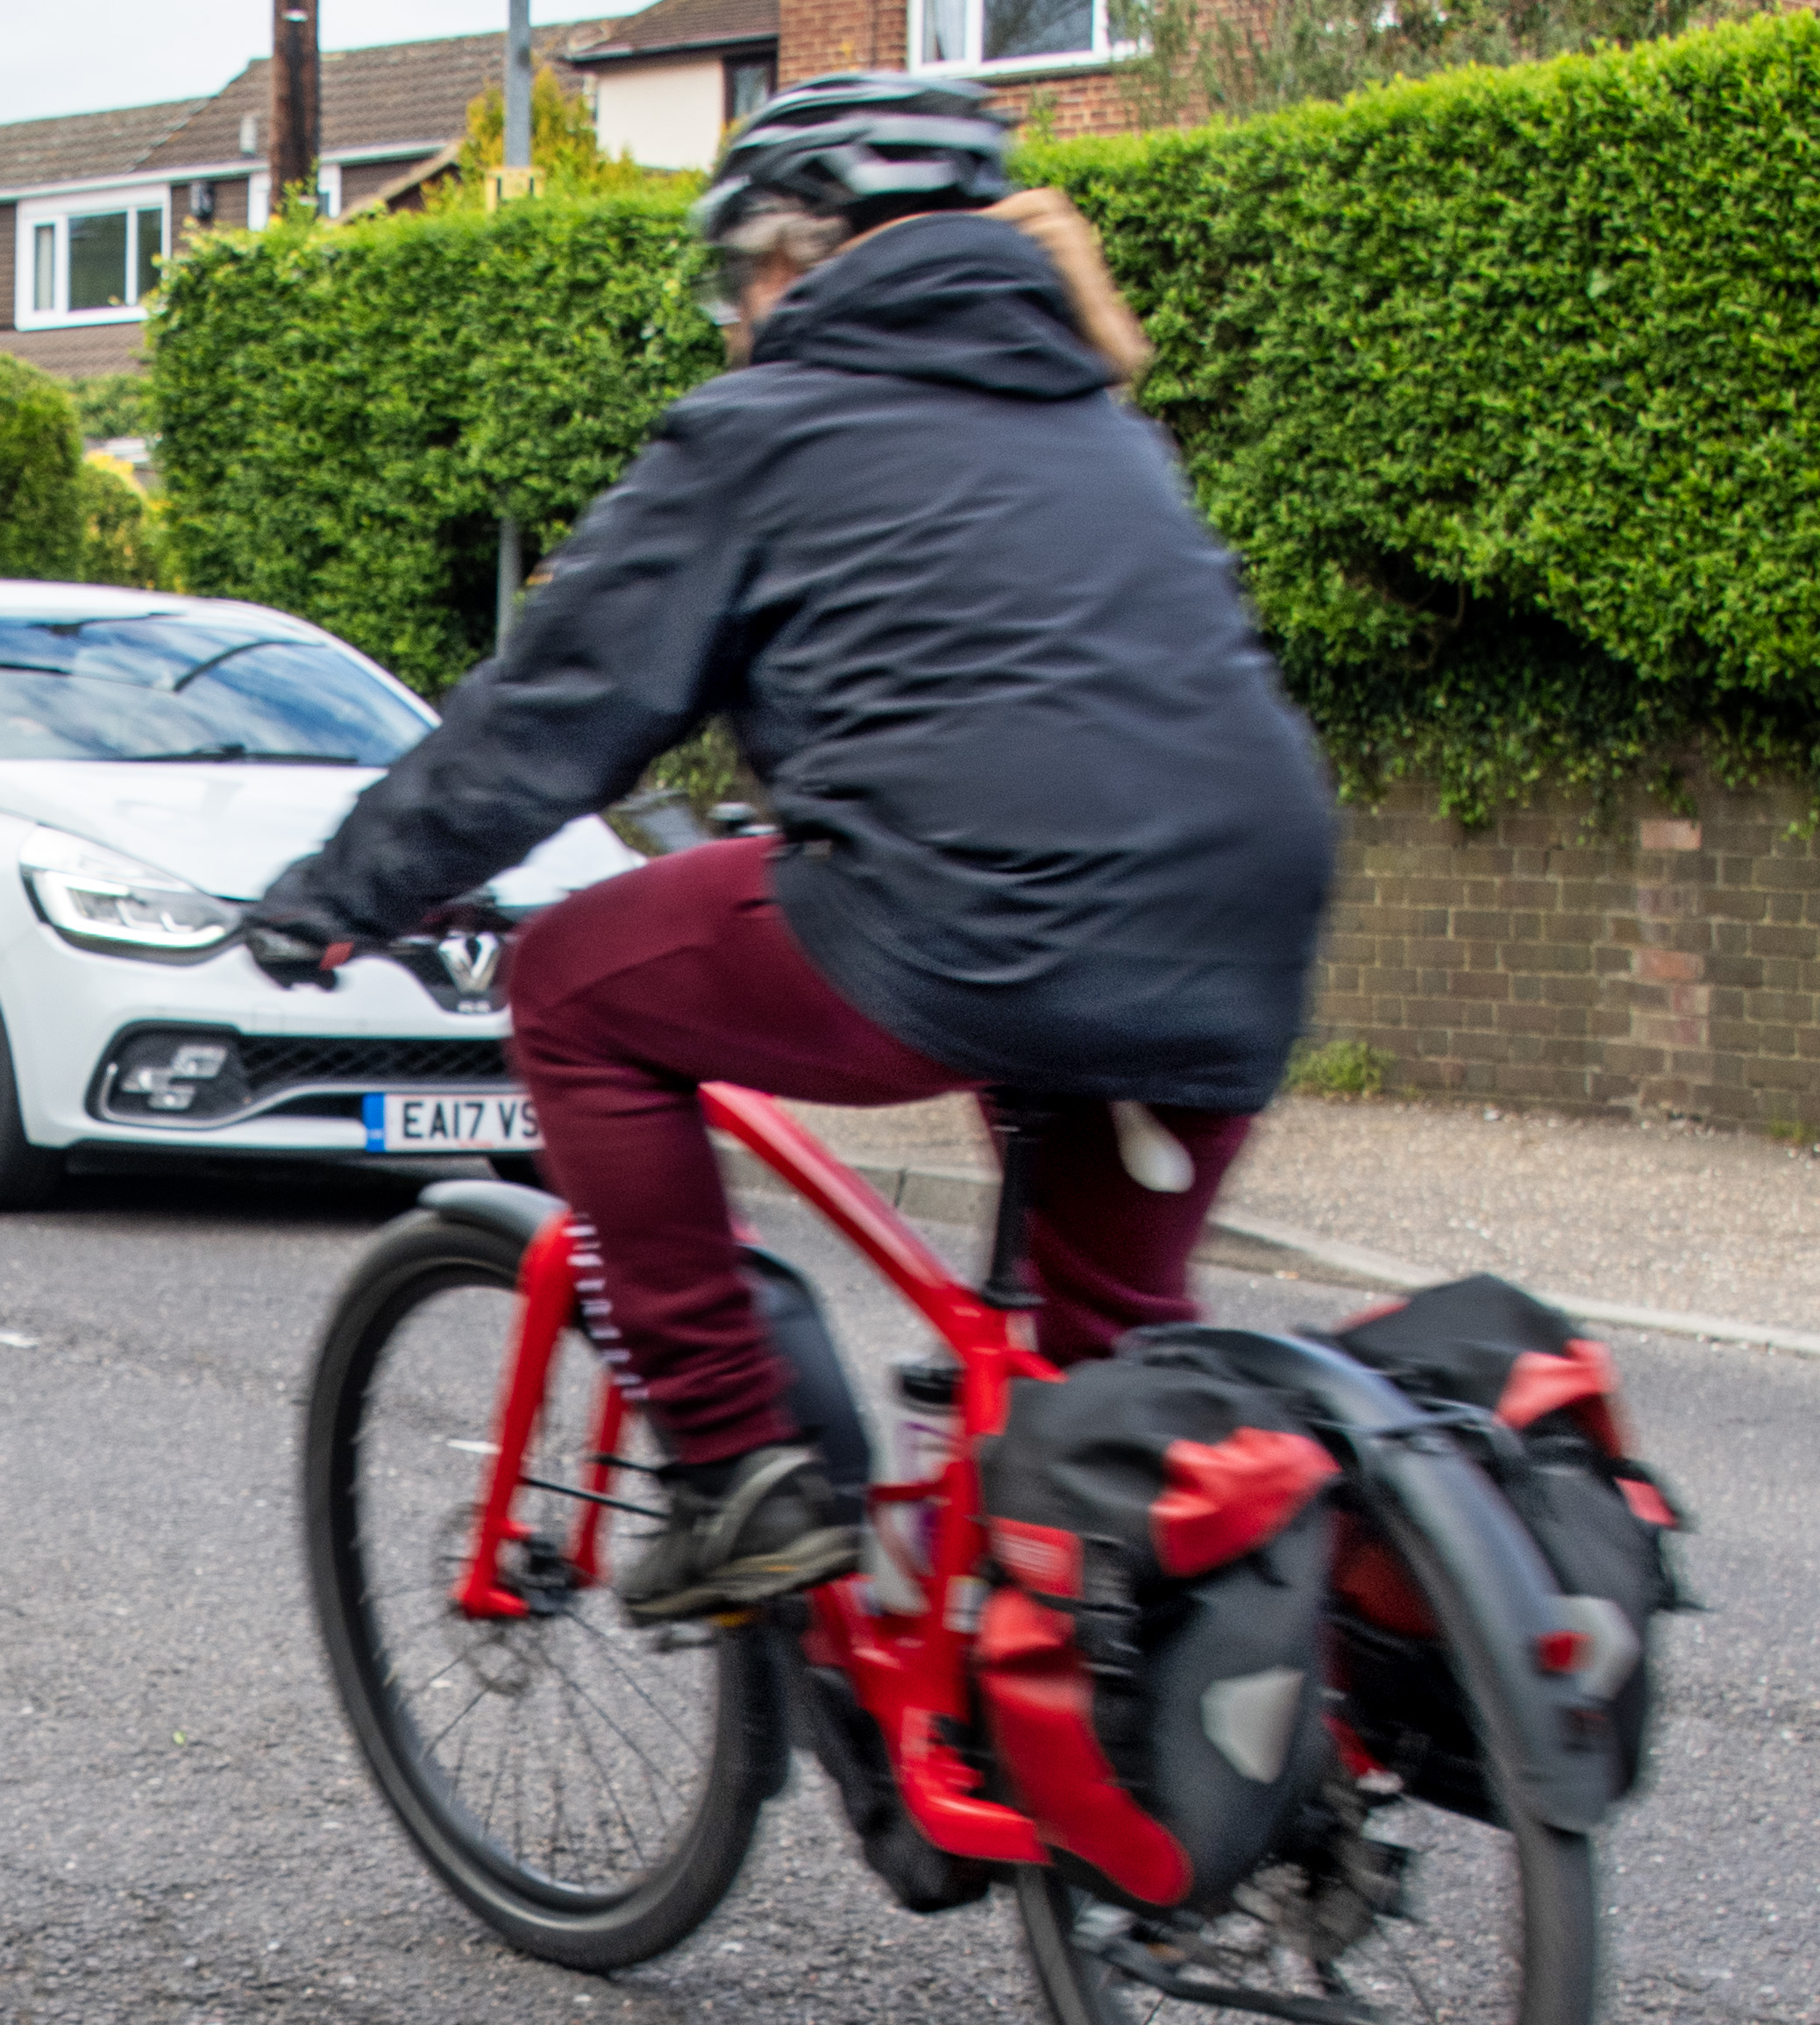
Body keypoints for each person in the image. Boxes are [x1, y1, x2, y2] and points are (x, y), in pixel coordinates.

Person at [252, 73, 1336, 1622]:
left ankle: (738, 1465)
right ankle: (1122, 1761)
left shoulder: (770, 422)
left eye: (729, 280)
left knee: (571, 984)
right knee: (1109, 1371)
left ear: (786, 263)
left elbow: (559, 710)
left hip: (958, 916)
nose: (729, 319)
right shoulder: (1100, 423)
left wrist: (341, 897)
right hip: (1246, 914)